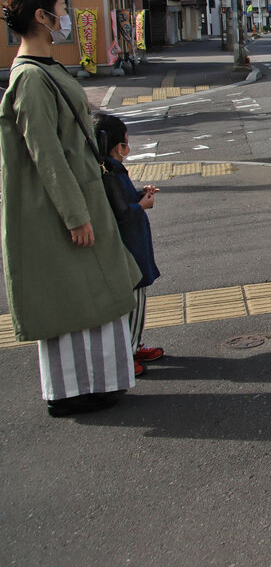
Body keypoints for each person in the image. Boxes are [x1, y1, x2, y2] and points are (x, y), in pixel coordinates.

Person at [0, 0, 143, 417]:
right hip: (62, 210)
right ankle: (68, 393)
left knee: (94, 295)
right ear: (42, 17)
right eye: (62, 9)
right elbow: (46, 155)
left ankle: (98, 384)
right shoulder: (30, 79)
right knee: (67, 301)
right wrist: (75, 215)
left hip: (80, 201)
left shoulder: (46, 71)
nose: (65, 18)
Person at [94, 112, 163, 376]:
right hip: (130, 247)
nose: (127, 148)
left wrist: (140, 195)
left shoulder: (110, 170)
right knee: (134, 300)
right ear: (115, 146)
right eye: (125, 143)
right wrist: (142, 204)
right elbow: (122, 212)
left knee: (136, 299)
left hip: (132, 245)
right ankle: (128, 353)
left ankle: (134, 346)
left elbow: (123, 201)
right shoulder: (109, 172)